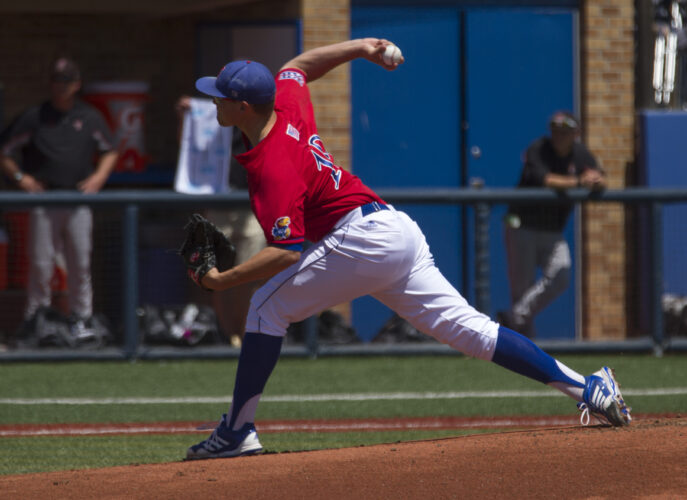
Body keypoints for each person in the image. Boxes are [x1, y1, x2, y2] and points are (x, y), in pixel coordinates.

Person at [184, 39, 630, 460]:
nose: (214, 101)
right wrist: (362, 47)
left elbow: (286, 251)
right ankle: (588, 387)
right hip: (392, 230)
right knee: (472, 332)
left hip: (360, 239)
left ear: (243, 107)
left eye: (220, 97)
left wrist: (222, 281)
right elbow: (297, 67)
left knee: (265, 309)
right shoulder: (284, 101)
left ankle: (236, 431)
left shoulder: (273, 165)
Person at [0, 56, 118, 343]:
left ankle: (83, 321)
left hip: (78, 198)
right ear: (50, 83)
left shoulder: (89, 116)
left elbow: (110, 150)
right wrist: (21, 178)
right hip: (45, 199)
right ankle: (37, 320)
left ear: (76, 84)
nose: (61, 86)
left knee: (80, 263)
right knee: (41, 264)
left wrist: (99, 178)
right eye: (57, 80)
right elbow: (5, 152)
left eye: (67, 81)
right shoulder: (35, 116)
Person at [498, 111, 606, 338]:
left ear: (575, 134)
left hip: (553, 230)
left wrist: (596, 181)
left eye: (565, 132)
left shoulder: (580, 153)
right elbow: (546, 180)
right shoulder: (538, 148)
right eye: (556, 131)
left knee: (561, 275)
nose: (559, 136)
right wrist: (580, 181)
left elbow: (600, 177)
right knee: (521, 289)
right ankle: (524, 344)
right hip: (522, 224)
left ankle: (513, 318)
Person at [175, 96, 265, 347]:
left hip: (251, 208)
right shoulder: (212, 119)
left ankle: (247, 333)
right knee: (217, 275)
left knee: (250, 275)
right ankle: (228, 336)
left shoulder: (260, 118)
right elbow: (190, 149)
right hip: (218, 207)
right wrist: (186, 119)